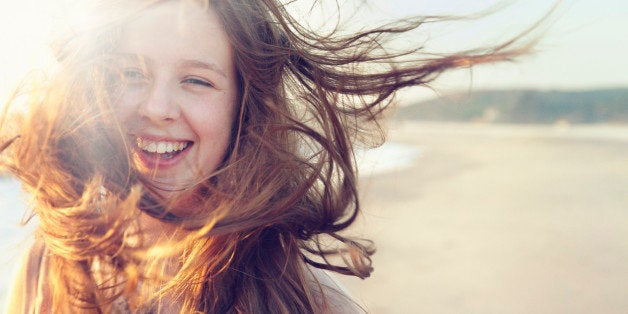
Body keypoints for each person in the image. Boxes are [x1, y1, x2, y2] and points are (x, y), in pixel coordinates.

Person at [1, 0, 536, 312]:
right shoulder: (55, 261)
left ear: (243, 108)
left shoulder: (299, 298)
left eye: (196, 80)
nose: (157, 106)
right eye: (131, 74)